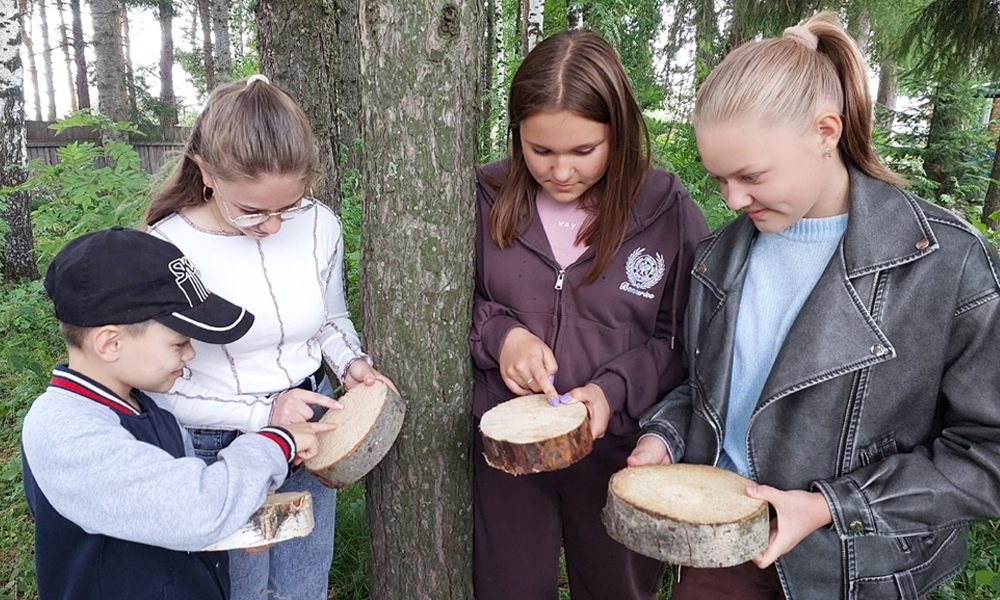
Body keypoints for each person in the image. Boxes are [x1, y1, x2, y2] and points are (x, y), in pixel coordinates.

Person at [629, 12, 1000, 600]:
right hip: (721, 552)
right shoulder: (718, 258)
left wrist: (832, 506)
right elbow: (705, 390)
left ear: (825, 132)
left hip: (857, 570)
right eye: (718, 178)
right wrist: (667, 438)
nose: (732, 199)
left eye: (750, 175)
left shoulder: (947, 265)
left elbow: (987, 456)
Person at [470, 30, 709, 600]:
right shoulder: (485, 195)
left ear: (620, 132)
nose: (559, 173)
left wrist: (612, 392)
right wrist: (503, 337)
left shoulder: (667, 212)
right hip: (506, 452)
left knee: (616, 587)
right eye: (539, 150)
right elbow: (453, 305)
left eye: (584, 151)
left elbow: (685, 339)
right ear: (516, 134)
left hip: (620, 450)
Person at [143, 75, 396, 600]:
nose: (275, 226)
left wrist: (351, 364)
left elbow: (328, 319)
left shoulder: (320, 224)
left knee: (303, 584)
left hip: (309, 427)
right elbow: (160, 386)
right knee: (239, 590)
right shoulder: (165, 248)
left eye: (289, 206)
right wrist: (264, 417)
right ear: (206, 173)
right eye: (253, 211)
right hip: (216, 447)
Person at [21, 227, 336, 600]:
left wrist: (235, 526)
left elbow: (167, 520)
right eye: (179, 342)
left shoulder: (149, 403)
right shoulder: (64, 431)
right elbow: (196, 509)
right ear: (110, 343)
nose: (189, 355)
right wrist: (276, 442)